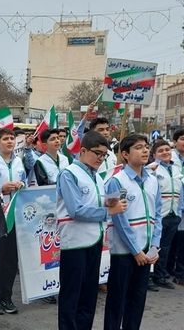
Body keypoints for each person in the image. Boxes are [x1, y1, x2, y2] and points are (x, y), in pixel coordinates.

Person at [56, 131, 128, 330]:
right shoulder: (69, 174)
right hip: (75, 243)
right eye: (97, 153)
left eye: (104, 154)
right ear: (83, 150)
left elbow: (99, 203)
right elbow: (76, 210)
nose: (100, 158)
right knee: (72, 296)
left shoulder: (96, 177)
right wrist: (108, 211)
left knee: (89, 295)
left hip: (94, 241)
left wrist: (113, 201)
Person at [103, 134, 162, 330]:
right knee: (117, 301)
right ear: (125, 154)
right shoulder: (115, 182)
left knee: (137, 300)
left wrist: (154, 246)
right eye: (138, 147)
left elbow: (158, 214)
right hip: (124, 252)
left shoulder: (153, 180)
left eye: (146, 147)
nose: (145, 150)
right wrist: (136, 250)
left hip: (147, 252)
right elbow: (117, 218)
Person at [0, 128, 26, 315]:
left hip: (15, 216)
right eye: (6, 139)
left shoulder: (19, 161)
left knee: (11, 259)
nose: (10, 141)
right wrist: (1, 188)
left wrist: (22, 185)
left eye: (12, 138)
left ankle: (6, 297)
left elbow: (25, 180)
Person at [147, 140, 182, 289]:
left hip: (173, 214)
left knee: (165, 247)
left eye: (167, 149)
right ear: (154, 154)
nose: (165, 152)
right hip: (158, 215)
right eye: (160, 151)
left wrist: (179, 212)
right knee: (152, 245)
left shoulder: (176, 169)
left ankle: (160, 276)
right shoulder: (151, 169)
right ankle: (147, 277)